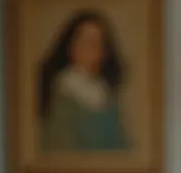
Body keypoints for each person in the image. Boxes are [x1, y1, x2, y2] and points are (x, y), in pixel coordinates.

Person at [38, 10, 131, 152]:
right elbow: (59, 149)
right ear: (70, 46)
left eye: (93, 43)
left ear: (104, 52)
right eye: (81, 41)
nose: (85, 49)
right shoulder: (62, 91)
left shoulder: (106, 94)